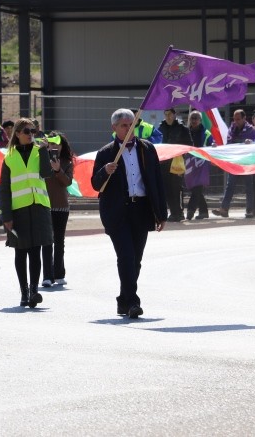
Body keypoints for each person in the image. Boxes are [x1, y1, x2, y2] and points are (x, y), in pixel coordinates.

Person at [91, 108, 167, 318]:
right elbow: (96, 185)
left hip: (141, 210)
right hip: (117, 212)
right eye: (124, 125)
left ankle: (124, 300)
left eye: (132, 124)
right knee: (125, 256)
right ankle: (133, 302)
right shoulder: (106, 153)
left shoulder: (147, 149)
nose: (129, 128)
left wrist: (161, 214)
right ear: (114, 128)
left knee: (136, 259)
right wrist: (104, 171)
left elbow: (157, 182)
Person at [0, 118, 58, 308]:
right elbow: (4, 189)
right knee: (20, 251)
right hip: (18, 210)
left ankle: (34, 290)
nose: (30, 134)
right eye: (26, 131)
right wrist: (6, 216)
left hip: (39, 207)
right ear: (17, 133)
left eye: (33, 131)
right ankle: (24, 291)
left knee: (36, 251)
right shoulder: (8, 157)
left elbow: (47, 173)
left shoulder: (38, 151)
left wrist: (44, 151)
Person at [212, 109, 255, 218]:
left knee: (249, 186)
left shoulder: (251, 130)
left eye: (238, 119)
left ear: (244, 118)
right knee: (230, 185)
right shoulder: (231, 129)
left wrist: (252, 142)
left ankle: (250, 210)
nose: (236, 121)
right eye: (234, 119)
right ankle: (224, 209)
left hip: (246, 162)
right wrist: (217, 148)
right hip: (234, 162)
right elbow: (227, 143)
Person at [41, 131, 74, 287]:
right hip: (44, 205)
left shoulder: (67, 162)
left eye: (57, 144)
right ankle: (47, 276)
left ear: (62, 146)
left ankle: (59, 274)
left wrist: (57, 169)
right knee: (46, 241)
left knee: (59, 241)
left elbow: (67, 182)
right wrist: (41, 152)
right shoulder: (41, 159)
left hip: (61, 206)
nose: (54, 147)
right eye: (51, 144)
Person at [158, 108, 190, 222]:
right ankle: (173, 212)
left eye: (170, 114)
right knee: (167, 188)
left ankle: (179, 213)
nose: (168, 116)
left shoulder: (182, 128)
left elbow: (189, 144)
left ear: (174, 114)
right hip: (164, 162)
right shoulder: (160, 128)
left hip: (177, 161)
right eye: (166, 114)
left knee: (177, 187)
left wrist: (178, 151)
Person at [184, 111, 212, 220]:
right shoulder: (186, 132)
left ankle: (190, 210)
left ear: (200, 120)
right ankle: (204, 211)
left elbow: (211, 144)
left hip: (202, 163)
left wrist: (213, 144)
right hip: (190, 163)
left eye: (196, 118)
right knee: (193, 187)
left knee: (198, 187)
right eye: (192, 118)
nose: (194, 120)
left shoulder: (206, 133)